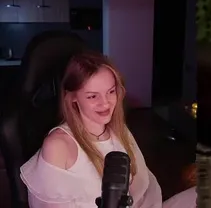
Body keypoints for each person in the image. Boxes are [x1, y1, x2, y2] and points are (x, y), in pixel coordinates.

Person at [19, 51, 197, 208]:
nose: (105, 103)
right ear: (73, 98)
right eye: (92, 96)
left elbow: (141, 190)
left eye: (111, 92)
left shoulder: (118, 132)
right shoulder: (58, 146)